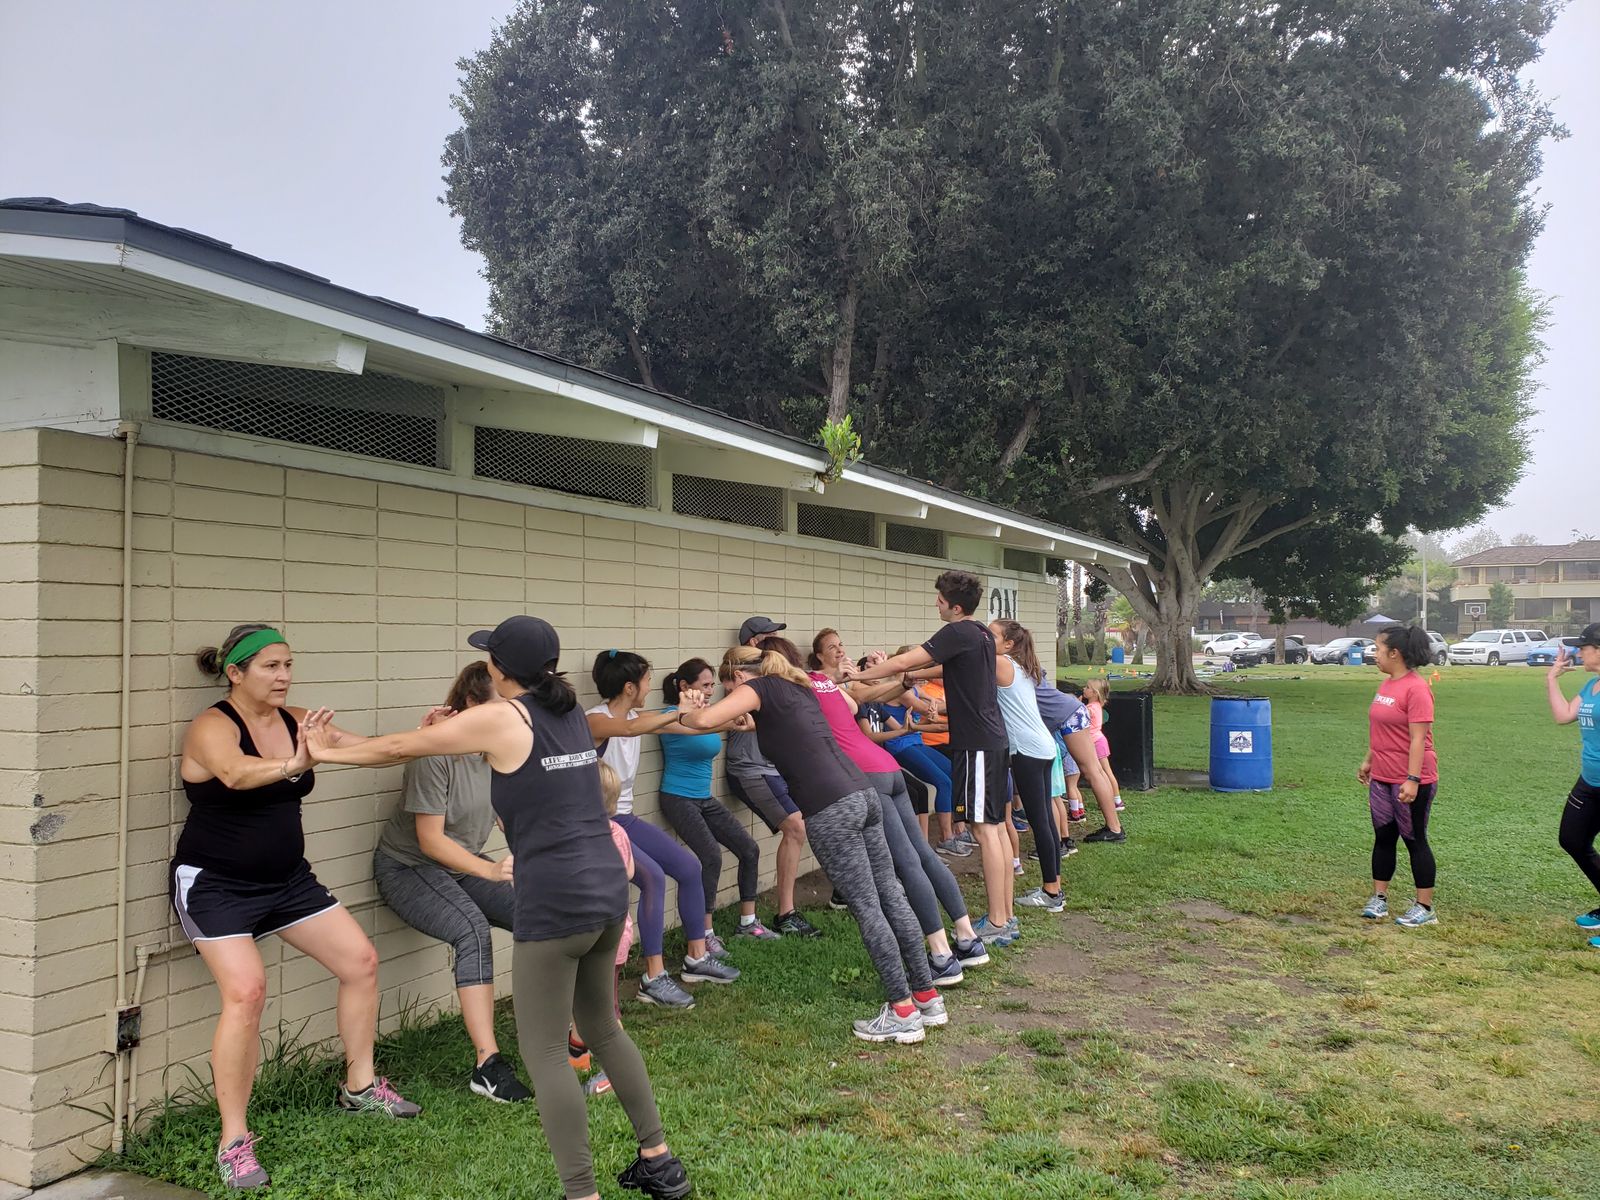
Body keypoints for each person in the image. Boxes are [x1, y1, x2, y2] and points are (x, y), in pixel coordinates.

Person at [305, 616, 692, 1200]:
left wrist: (322, 752)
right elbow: (421, 746)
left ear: (499, 667)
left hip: (555, 899)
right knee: (603, 1029)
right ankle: (659, 1160)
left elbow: (401, 747)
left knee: (544, 1052)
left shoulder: (505, 716)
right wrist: (345, 742)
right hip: (608, 890)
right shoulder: (569, 711)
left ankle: (582, 1193)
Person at [174, 625, 421, 1192]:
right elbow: (236, 773)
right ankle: (234, 1140)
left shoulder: (298, 721)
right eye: (271, 666)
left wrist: (427, 735)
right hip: (215, 885)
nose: (284, 676)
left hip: (287, 882)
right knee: (246, 993)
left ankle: (360, 1087)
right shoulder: (212, 726)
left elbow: (367, 750)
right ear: (235, 673)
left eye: (288, 665)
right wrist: (298, 760)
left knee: (360, 962)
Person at [683, 647, 944, 1043]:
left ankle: (902, 1011)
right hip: (862, 793)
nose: (728, 693)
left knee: (867, 906)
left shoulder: (760, 688)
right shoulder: (798, 685)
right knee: (890, 894)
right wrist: (753, 726)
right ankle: (926, 997)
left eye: (728, 685)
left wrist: (687, 709)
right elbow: (794, 733)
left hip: (829, 808)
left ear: (738, 675)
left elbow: (703, 719)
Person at [762, 635, 988, 980]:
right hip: (887, 767)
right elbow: (859, 701)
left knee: (907, 864)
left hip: (863, 776)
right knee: (923, 856)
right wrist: (895, 682)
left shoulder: (790, 692)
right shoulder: (823, 684)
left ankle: (941, 956)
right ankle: (967, 938)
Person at [372, 662, 530, 1103]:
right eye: (502, 706)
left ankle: (559, 1031)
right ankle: (487, 1066)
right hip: (409, 868)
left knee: (538, 914)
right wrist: (490, 870)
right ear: (473, 704)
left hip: (463, 865)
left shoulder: (496, 750)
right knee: (472, 932)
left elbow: (507, 816)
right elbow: (430, 841)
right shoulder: (435, 753)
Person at [851, 571, 1018, 948]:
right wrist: (914, 675)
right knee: (993, 827)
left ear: (955, 607)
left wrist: (853, 677)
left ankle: (996, 921)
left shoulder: (956, 632)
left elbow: (900, 663)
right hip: (990, 741)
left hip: (977, 745)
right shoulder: (979, 634)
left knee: (984, 830)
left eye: (940, 599)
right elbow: (942, 668)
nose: (936, 604)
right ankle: (1005, 916)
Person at [586, 651, 738, 998]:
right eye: (646, 681)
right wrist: (677, 710)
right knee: (653, 877)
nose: (649, 687)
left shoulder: (637, 716)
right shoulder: (595, 720)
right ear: (629, 687)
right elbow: (629, 728)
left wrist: (733, 722)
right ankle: (653, 978)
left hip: (625, 818)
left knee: (689, 868)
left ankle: (697, 957)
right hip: (598, 825)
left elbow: (688, 725)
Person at [657, 658, 778, 950]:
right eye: (705, 685)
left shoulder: (707, 715)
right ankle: (705, 933)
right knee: (711, 856)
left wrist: (740, 721)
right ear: (684, 686)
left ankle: (748, 923)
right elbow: (694, 729)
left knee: (749, 849)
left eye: (712, 685)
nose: (711, 690)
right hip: (678, 797)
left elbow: (714, 724)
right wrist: (731, 722)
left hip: (703, 798)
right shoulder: (671, 716)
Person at [729, 618, 820, 937]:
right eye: (768, 636)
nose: (775, 641)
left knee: (819, 816)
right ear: (753, 642)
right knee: (796, 826)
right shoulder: (743, 676)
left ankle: (839, 891)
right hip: (751, 768)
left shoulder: (774, 675)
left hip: (775, 768)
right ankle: (786, 913)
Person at [1358, 624, 1441, 929]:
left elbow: (1418, 738)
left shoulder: (1416, 688)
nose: (1374, 654)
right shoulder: (1387, 684)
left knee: (1414, 839)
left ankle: (1425, 907)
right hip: (1382, 775)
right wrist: (1369, 760)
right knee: (1383, 837)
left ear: (1395, 653)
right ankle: (1379, 899)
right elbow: (1381, 728)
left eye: (1378, 649)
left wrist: (1413, 779)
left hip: (1412, 778)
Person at [988, 620, 1066, 913]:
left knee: (1040, 821)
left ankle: (1051, 892)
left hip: (1028, 751)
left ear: (1008, 644)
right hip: (1042, 747)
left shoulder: (1000, 663)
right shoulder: (1018, 666)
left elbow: (961, 665)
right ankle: (1053, 887)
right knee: (1045, 819)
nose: (985, 637)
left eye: (991, 634)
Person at [570, 761, 635, 1100]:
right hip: (614, 933)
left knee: (604, 1010)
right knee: (586, 997)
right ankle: (577, 1051)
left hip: (601, 939)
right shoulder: (618, 833)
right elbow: (629, 871)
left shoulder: (585, 840)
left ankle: (616, 1072)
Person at [1547, 624, 1600, 947]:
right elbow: (1564, 715)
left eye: (1584, 647)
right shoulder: (1592, 685)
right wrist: (1552, 678)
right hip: (1589, 781)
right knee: (1573, 839)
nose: (1578, 653)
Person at [1081, 678, 1124, 812]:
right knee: (1103, 771)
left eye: (1087, 687)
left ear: (1095, 693)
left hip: (1096, 743)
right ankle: (1113, 799)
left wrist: (1076, 705)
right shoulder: (1096, 705)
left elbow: (1079, 716)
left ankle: (1116, 800)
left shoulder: (1090, 708)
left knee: (1105, 771)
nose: (1084, 689)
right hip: (1098, 741)